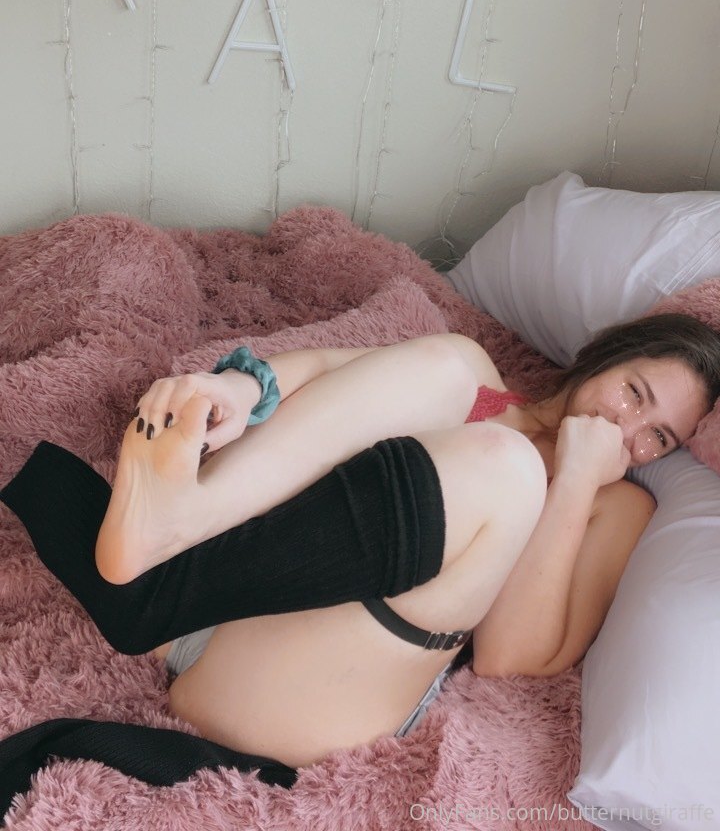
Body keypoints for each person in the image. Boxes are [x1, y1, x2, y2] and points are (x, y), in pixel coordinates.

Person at [2, 314, 719, 775]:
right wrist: (239, 389)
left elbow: (510, 657)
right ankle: (180, 523)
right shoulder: (476, 381)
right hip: (209, 622)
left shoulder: (616, 506)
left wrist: (574, 481)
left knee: (507, 468)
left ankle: (155, 582)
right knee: (450, 364)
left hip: (305, 691)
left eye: (658, 437)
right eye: (634, 393)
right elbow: (320, 373)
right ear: (604, 358)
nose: (627, 428)